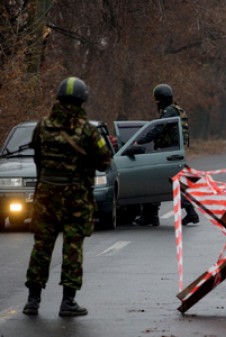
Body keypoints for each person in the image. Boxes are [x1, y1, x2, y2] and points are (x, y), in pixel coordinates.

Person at [23, 77, 112, 316]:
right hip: (76, 199)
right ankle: (68, 302)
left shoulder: (42, 126)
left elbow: (38, 159)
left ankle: (32, 300)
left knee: (41, 247)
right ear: (82, 100)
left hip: (46, 197)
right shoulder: (88, 131)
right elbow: (105, 163)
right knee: (72, 249)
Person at [133, 83, 199, 227]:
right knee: (163, 182)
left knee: (158, 181)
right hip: (173, 152)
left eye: (157, 100)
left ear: (160, 99)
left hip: (168, 153)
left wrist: (140, 141)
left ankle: (152, 215)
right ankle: (153, 215)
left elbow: (158, 128)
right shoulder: (176, 109)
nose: (156, 103)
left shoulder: (168, 112)